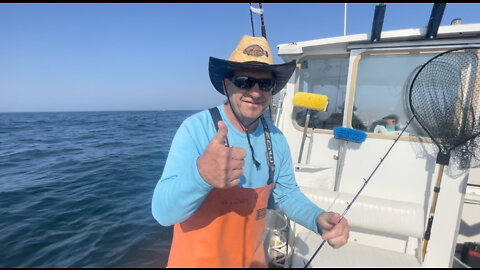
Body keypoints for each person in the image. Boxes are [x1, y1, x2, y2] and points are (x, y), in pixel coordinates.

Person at [151, 35, 349, 268]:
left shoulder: (276, 139)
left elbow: (286, 195)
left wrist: (318, 219)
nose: (255, 92)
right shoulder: (196, 128)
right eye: (244, 81)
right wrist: (200, 175)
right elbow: (163, 213)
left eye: (264, 84)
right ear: (227, 84)